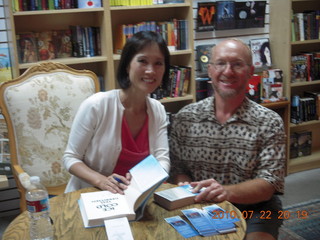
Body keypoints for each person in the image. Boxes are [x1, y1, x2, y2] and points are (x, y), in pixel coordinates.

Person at [169, 38, 285, 240]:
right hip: (199, 203)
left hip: (255, 209)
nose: (228, 71)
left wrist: (225, 192)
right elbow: (178, 169)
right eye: (221, 63)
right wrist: (187, 189)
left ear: (250, 71)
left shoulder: (269, 122)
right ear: (210, 70)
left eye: (237, 64)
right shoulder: (185, 117)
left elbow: (269, 184)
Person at [63, 31, 171, 194]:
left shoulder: (158, 110)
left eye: (158, 63)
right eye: (143, 61)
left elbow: (162, 160)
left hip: (138, 197)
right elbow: (70, 158)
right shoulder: (97, 105)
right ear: (127, 65)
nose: (151, 70)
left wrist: (146, 180)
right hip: (92, 195)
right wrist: (101, 181)